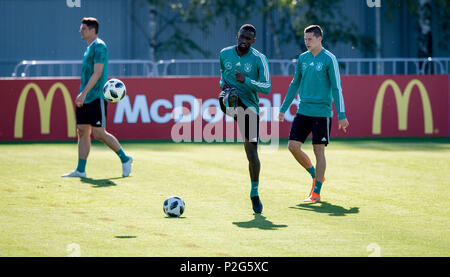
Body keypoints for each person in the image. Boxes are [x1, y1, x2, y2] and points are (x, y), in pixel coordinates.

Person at [278, 25, 349, 203]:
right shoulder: (302, 58)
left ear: (319, 39)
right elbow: (294, 84)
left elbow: (336, 87)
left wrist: (341, 113)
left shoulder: (329, 59)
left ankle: (316, 192)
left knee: (319, 151)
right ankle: (316, 175)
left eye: (310, 39)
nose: (306, 42)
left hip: (322, 113)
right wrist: (283, 108)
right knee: (293, 146)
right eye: (305, 39)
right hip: (303, 110)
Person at [62, 17, 132, 178]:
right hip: (85, 97)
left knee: (99, 133)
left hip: (96, 96)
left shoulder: (100, 46)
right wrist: (82, 94)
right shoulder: (88, 48)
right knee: (82, 131)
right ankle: (80, 170)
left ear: (93, 30)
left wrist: (84, 93)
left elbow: (98, 73)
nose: (80, 30)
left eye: (84, 28)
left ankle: (125, 158)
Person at [218, 24, 271, 213]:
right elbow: (223, 75)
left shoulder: (259, 59)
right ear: (237, 35)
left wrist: (245, 80)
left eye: (248, 38)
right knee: (228, 97)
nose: (244, 40)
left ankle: (254, 193)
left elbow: (266, 87)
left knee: (252, 154)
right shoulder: (225, 53)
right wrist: (223, 85)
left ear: (253, 41)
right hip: (230, 101)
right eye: (242, 36)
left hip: (250, 107)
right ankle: (230, 102)